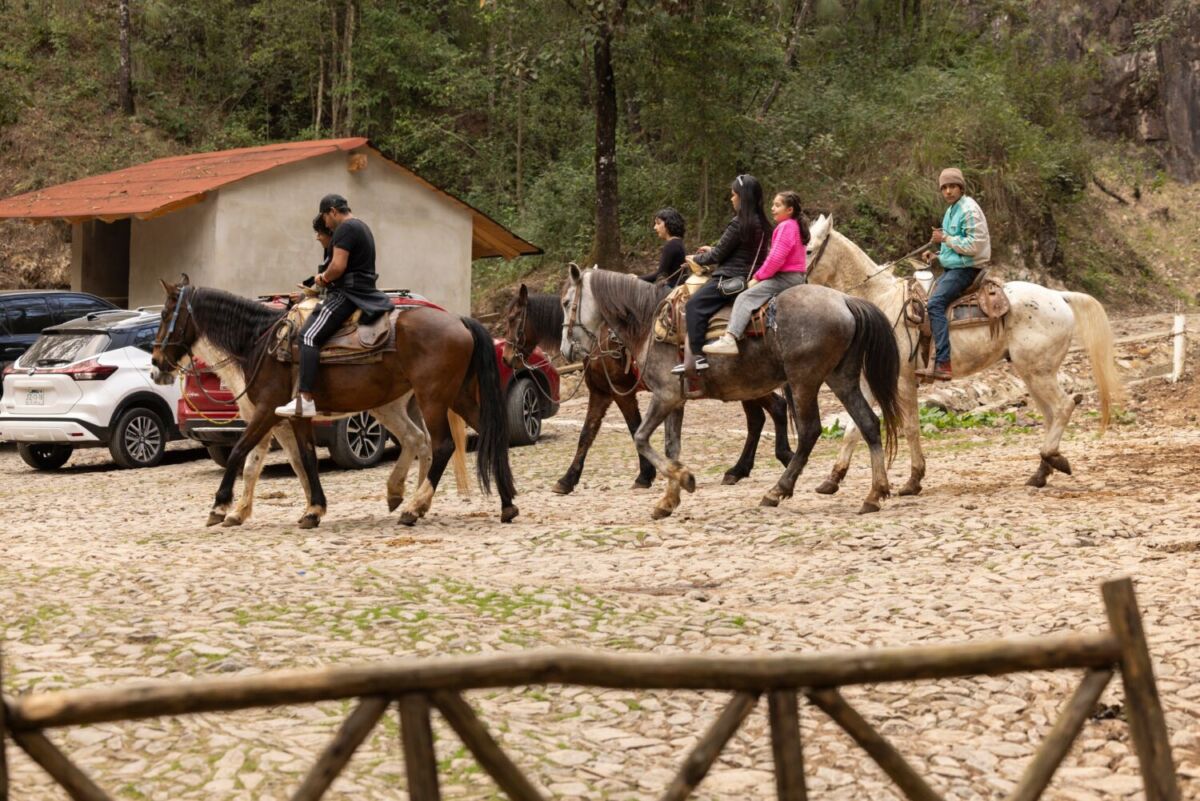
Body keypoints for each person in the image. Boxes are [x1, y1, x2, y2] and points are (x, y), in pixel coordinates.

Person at [275, 194, 394, 418]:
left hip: (347, 294)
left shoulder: (345, 229)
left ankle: (306, 399)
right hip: (365, 290)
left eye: (325, 218)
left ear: (332, 211)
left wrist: (322, 279)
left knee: (307, 336)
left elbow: (338, 267)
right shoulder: (363, 227)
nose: (326, 225)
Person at [673, 174, 772, 374]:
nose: (731, 198)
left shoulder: (739, 223)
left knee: (694, 305)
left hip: (729, 279)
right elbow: (741, 250)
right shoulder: (763, 223)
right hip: (749, 278)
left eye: (734, 195)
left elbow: (717, 255)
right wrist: (712, 249)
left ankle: (698, 357)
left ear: (742, 197)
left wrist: (695, 259)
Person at [704, 190, 809, 356]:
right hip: (796, 277)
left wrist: (757, 277)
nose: (773, 208)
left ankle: (730, 339)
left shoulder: (785, 226)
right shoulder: (794, 226)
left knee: (745, 297)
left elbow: (776, 258)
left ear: (789, 210)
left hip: (785, 278)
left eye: (778, 205)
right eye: (773, 204)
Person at [915, 168, 991, 382]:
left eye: (952, 186)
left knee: (936, 304)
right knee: (924, 297)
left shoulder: (969, 210)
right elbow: (956, 245)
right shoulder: (952, 210)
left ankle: (944, 362)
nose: (948, 191)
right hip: (956, 267)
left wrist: (945, 238)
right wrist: (937, 255)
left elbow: (974, 246)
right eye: (944, 187)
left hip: (967, 269)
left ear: (960, 187)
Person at [639, 208, 687, 288]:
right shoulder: (678, 242)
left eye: (658, 223)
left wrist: (635, 279)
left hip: (672, 290)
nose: (655, 227)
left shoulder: (671, 245)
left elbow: (659, 274)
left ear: (668, 224)